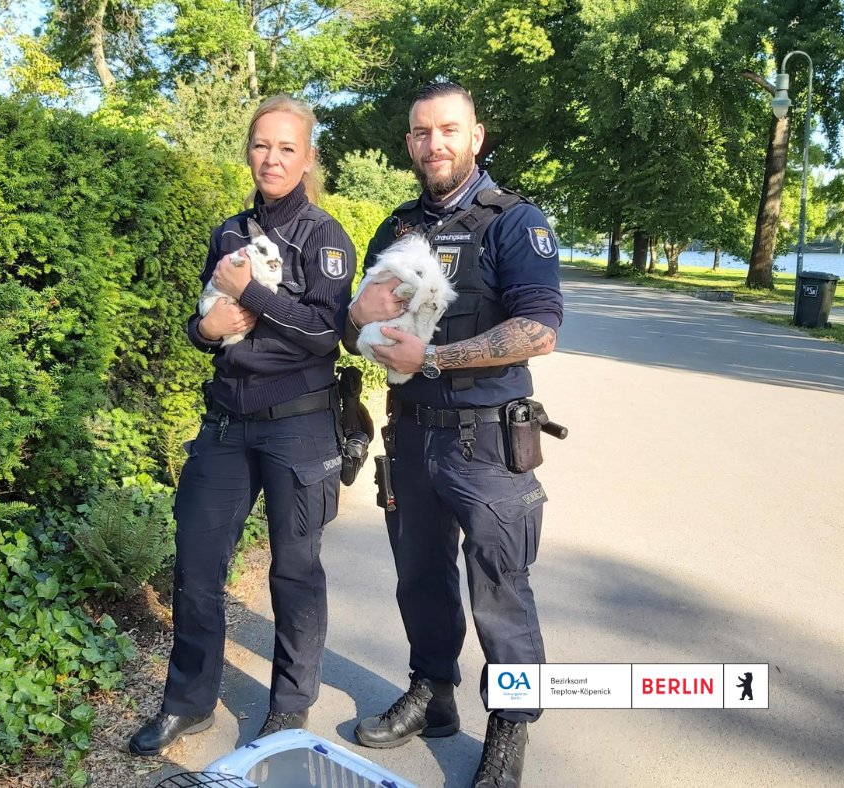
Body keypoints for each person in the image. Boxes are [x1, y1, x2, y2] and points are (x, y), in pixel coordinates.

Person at [343, 82, 562, 788]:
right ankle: (432, 695)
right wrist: (356, 318)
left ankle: (508, 729)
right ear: (408, 142)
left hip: (488, 444)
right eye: (420, 132)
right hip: (411, 440)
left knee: (501, 590)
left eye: (448, 130)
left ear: (476, 136)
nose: (433, 143)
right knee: (421, 581)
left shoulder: (513, 222)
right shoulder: (396, 228)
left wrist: (434, 357)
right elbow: (357, 336)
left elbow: (540, 328)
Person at [129, 95, 355, 756]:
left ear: (308, 157)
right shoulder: (228, 233)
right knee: (197, 567)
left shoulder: (325, 237)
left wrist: (252, 295)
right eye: (262, 145)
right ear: (248, 152)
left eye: (288, 147)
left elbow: (321, 334)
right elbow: (203, 322)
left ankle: (289, 705)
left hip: (299, 428)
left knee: (295, 570)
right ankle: (188, 702)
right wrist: (207, 328)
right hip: (226, 424)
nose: (272, 158)